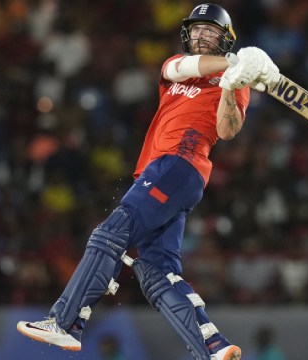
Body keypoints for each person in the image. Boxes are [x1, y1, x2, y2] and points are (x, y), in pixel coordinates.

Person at [16, 3, 279, 360]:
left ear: (224, 37)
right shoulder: (175, 67)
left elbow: (227, 130)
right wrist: (237, 63)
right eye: (197, 29)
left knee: (110, 234)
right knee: (157, 273)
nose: (201, 35)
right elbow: (183, 66)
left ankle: (65, 322)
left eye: (210, 30)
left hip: (178, 166)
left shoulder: (233, 80)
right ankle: (213, 348)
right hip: (170, 175)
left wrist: (233, 85)